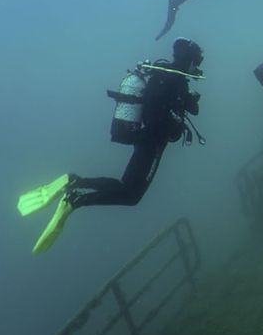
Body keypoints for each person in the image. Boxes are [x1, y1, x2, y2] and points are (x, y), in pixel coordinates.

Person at [18, 38, 206, 254]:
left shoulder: (163, 75)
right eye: (197, 60)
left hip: (144, 139)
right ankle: (75, 193)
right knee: (132, 195)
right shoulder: (177, 81)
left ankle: (75, 191)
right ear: (188, 58)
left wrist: (184, 105)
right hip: (152, 142)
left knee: (127, 188)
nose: (198, 66)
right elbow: (164, 115)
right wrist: (178, 118)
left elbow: (171, 108)